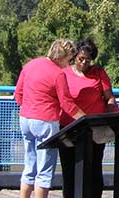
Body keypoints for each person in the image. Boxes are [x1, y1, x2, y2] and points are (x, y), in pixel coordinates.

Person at [14, 38, 76, 198]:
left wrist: (29, 106)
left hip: (25, 119)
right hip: (46, 121)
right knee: (44, 170)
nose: (69, 64)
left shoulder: (30, 65)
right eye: (69, 59)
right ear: (61, 56)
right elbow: (67, 103)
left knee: (29, 165)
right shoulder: (58, 74)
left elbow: (18, 94)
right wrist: (85, 119)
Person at [59, 37, 119, 198]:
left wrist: (114, 117)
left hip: (95, 131)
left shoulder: (99, 73)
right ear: (74, 57)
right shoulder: (63, 74)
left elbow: (109, 98)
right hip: (69, 129)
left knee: (93, 169)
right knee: (69, 169)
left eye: (88, 60)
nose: (84, 63)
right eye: (81, 59)